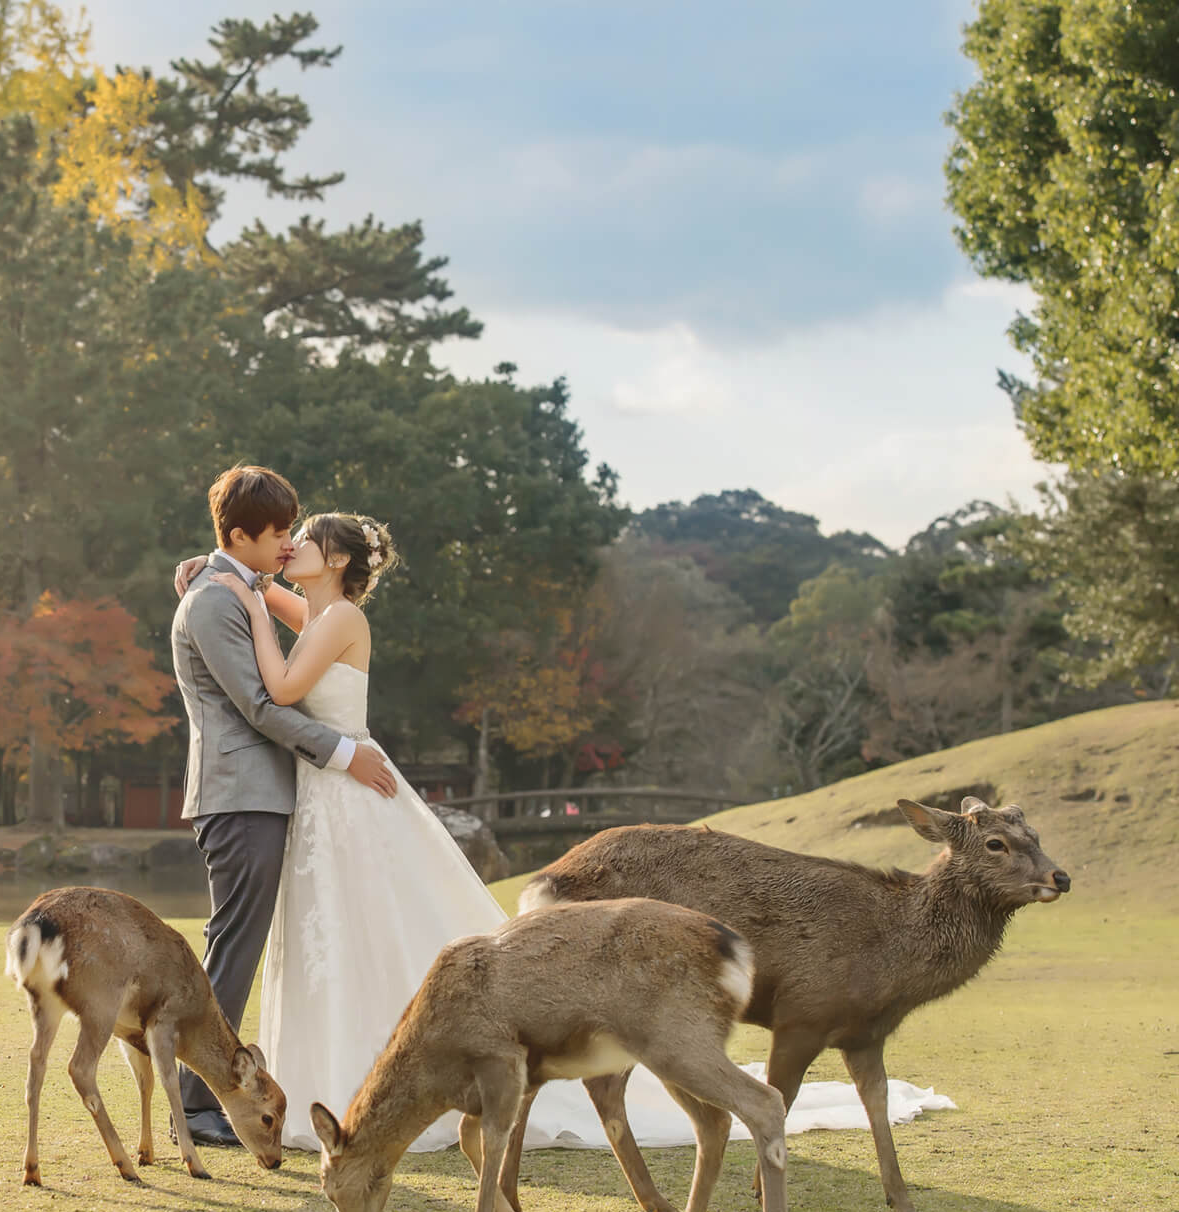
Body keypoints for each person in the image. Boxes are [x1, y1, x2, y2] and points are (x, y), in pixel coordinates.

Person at [186, 513, 954, 1153]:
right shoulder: (319, 611)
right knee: (337, 934)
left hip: (348, 785)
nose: (290, 553)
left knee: (376, 924)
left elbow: (282, 686)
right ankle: (334, 1074)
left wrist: (247, 601)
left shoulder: (340, 616)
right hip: (326, 792)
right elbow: (283, 607)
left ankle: (394, 1075)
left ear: (339, 558)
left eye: (305, 544)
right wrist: (237, 578)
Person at [167, 466, 399, 1148]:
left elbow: (273, 607)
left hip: (266, 795)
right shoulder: (215, 600)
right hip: (240, 796)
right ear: (241, 535)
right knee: (233, 946)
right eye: (275, 534)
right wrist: (341, 752)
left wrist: (252, 582)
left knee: (238, 944)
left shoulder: (241, 589)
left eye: (293, 534)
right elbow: (261, 706)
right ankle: (198, 1098)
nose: (285, 544)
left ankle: (203, 1093)